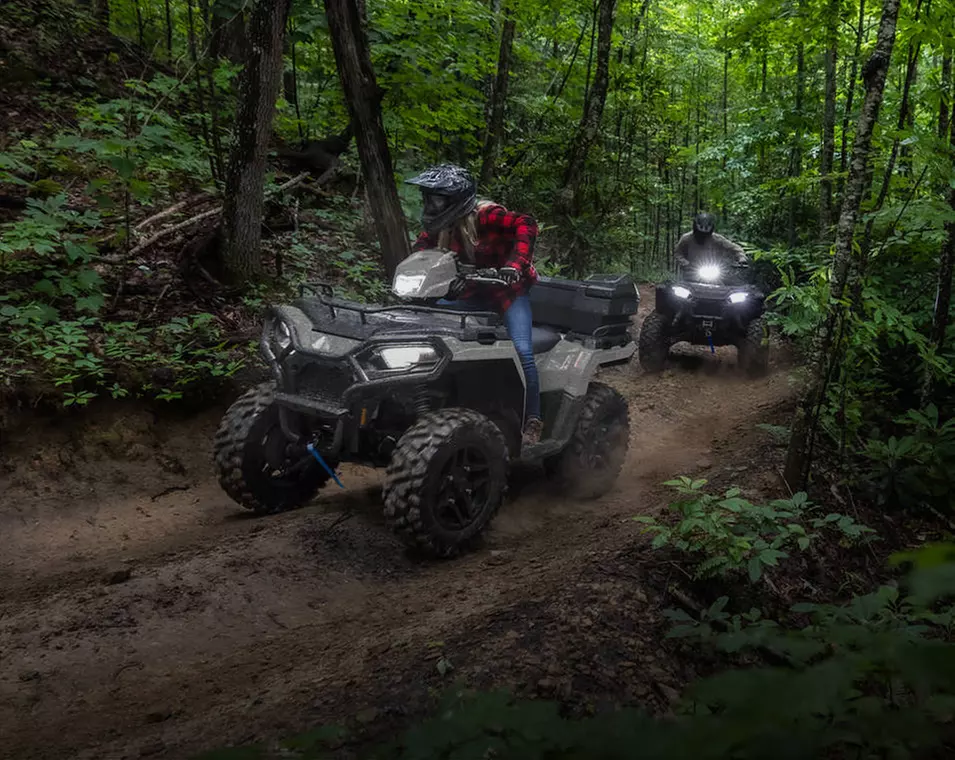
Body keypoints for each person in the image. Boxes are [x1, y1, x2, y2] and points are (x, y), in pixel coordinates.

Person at [405, 164, 543, 446]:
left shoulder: (486, 215)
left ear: (455, 199)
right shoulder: (439, 227)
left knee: (522, 350)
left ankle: (533, 420)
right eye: (428, 198)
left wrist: (515, 265)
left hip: (509, 294)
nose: (431, 204)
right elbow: (420, 251)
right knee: (423, 327)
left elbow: (526, 224)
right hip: (471, 294)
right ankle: (428, 403)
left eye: (437, 199)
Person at [674, 212, 748, 273]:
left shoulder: (717, 239)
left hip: (714, 272)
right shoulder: (686, 238)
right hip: (690, 271)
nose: (703, 236)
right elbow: (678, 253)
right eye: (700, 233)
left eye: (705, 234)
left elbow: (735, 248)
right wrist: (685, 263)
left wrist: (741, 257)